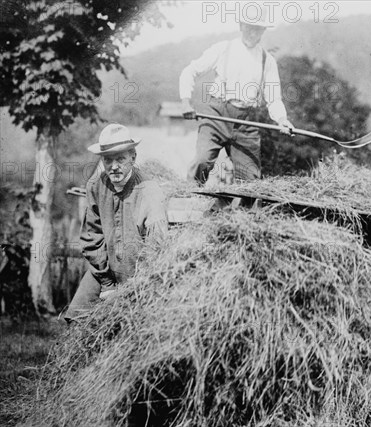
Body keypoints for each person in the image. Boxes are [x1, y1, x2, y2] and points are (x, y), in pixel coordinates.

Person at [63, 124, 168, 322]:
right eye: (107, 160)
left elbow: (157, 248)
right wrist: (106, 283)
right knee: (76, 317)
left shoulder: (149, 191)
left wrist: (137, 286)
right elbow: (91, 236)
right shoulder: (96, 185)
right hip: (105, 272)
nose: (114, 166)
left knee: (134, 326)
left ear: (133, 157)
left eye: (120, 159)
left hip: (138, 277)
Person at [180, 9, 294, 184]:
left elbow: (274, 98)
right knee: (202, 162)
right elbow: (190, 71)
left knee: (251, 181)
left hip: (246, 124)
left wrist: (282, 120)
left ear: (263, 31)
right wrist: (186, 102)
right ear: (241, 26)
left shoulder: (267, 60)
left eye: (257, 29)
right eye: (249, 27)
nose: (252, 33)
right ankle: (190, 200)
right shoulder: (223, 49)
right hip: (216, 115)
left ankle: (229, 210)